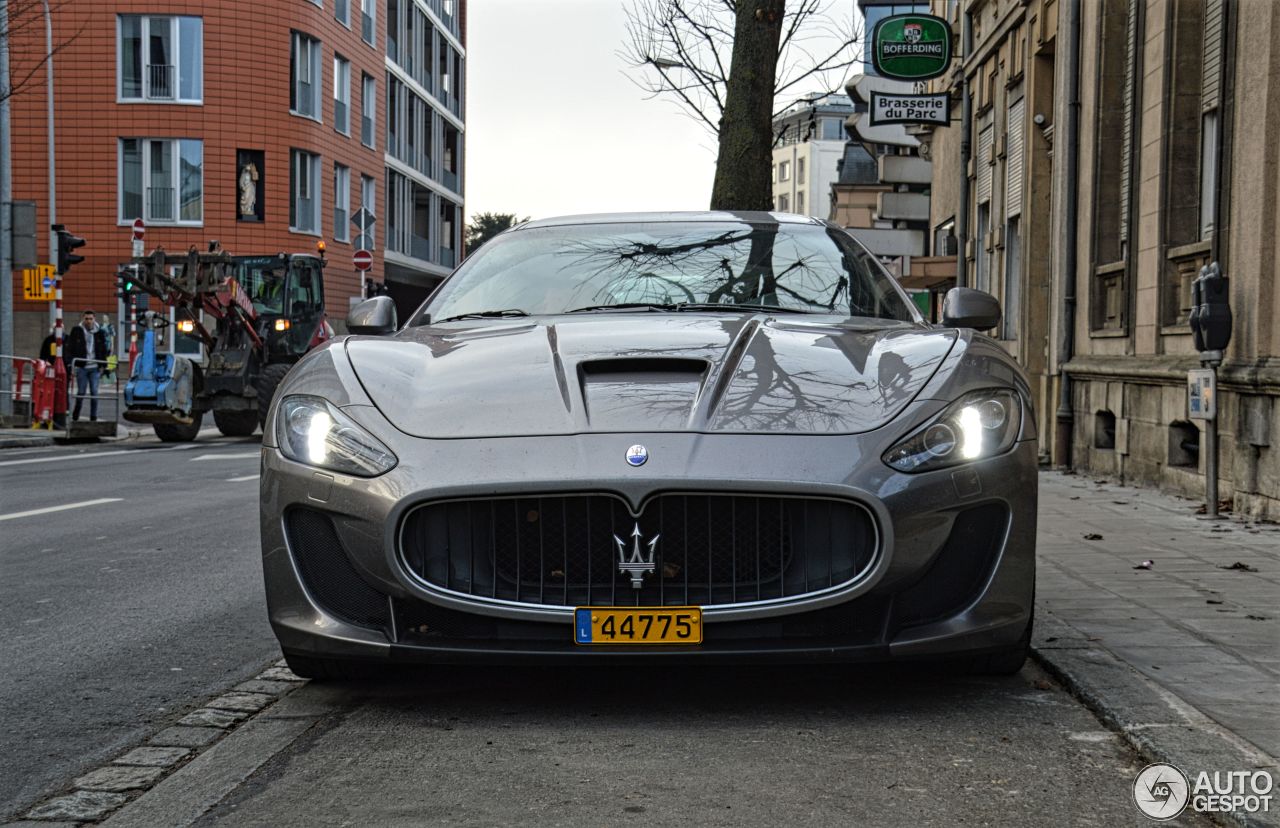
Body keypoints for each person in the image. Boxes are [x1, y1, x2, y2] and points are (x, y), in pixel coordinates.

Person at [65, 309, 109, 421]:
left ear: (94, 319)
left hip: (94, 367)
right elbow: (70, 347)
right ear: (83, 319)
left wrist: (104, 365)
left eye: (91, 319)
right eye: (86, 319)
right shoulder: (77, 331)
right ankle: (76, 415)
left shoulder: (99, 332)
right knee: (81, 392)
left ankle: (93, 417)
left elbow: (103, 349)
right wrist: (71, 363)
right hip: (82, 367)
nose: (88, 321)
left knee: (94, 392)